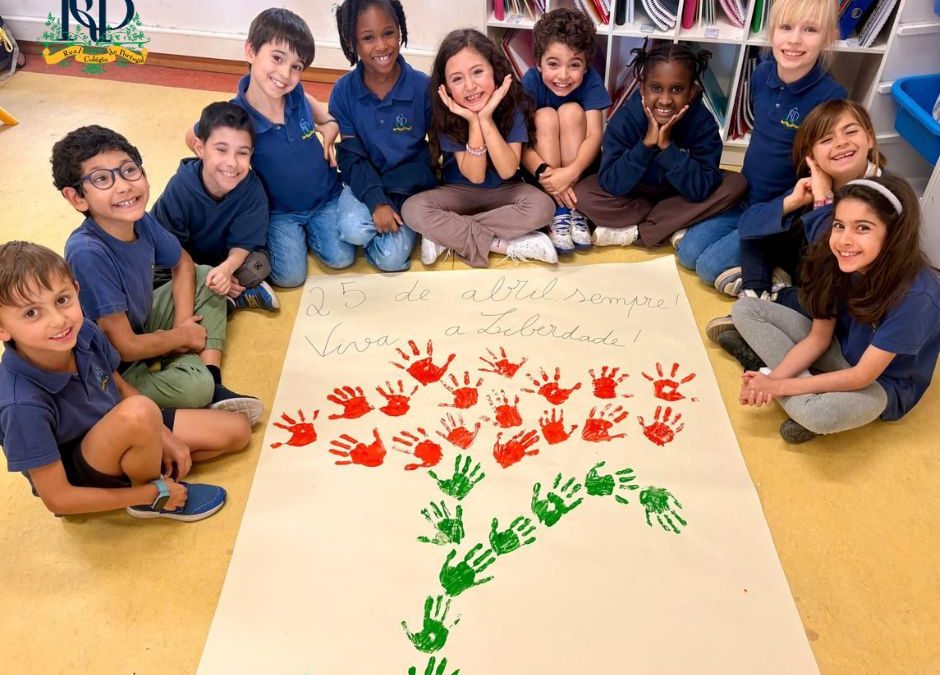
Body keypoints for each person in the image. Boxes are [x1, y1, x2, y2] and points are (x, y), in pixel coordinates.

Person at [0, 242, 250, 520]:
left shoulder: (84, 332)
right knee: (141, 411)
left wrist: (163, 437)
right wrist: (150, 492)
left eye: (62, 300)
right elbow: (58, 499)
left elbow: (117, 384)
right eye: (31, 313)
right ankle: (149, 496)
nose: (58, 320)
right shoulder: (20, 404)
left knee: (237, 431)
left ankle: (143, 463)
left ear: (76, 291)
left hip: (125, 424)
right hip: (85, 468)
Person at [55, 125, 262, 424]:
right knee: (194, 388)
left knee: (207, 278)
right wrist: (180, 336)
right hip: (112, 364)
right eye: (102, 179)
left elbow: (184, 263)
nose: (124, 186)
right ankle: (197, 387)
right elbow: (124, 348)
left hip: (141, 323)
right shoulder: (88, 252)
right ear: (77, 198)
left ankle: (213, 381)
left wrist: (181, 325)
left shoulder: (140, 220)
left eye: (129, 170)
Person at [717, 176, 940, 444]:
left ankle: (804, 395)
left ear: (893, 235)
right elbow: (818, 338)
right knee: (746, 309)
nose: (844, 240)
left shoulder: (917, 297)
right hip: (837, 349)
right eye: (839, 225)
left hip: (881, 383)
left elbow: (862, 376)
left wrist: (778, 386)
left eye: (863, 228)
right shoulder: (836, 260)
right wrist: (773, 379)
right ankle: (801, 387)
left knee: (820, 415)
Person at [189, 8, 402, 285]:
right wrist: (212, 158)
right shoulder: (235, 114)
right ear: (251, 51)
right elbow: (193, 134)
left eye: (296, 67)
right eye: (277, 58)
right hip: (281, 211)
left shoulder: (297, 95)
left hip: (325, 197)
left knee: (341, 259)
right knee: (290, 278)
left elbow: (327, 118)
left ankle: (310, 234)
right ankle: (272, 244)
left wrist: (329, 127)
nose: (285, 74)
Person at [676, 0, 845, 289]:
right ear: (772, 31)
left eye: (810, 30)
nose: (794, 39)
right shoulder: (761, 74)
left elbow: (829, 165)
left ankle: (774, 267)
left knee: (707, 269)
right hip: (744, 196)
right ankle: (754, 253)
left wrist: (797, 201)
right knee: (687, 254)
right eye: (786, 27)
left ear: (828, 36)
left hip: (781, 210)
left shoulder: (830, 97)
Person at [707, 100, 885, 351]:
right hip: (807, 271)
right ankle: (756, 293)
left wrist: (823, 202)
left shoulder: (882, 197)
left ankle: (771, 299)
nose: (841, 142)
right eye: (826, 139)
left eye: (850, 131)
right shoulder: (817, 180)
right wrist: (792, 202)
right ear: (812, 158)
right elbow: (747, 226)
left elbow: (838, 266)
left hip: (840, 295)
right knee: (761, 226)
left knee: (818, 311)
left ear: (870, 138)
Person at [401, 29, 556, 267]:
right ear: (446, 87)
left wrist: (485, 119)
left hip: (505, 192)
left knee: (543, 206)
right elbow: (474, 175)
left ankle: (451, 236)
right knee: (413, 209)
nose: (471, 86)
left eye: (477, 72)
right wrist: (473, 122)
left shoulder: (515, 104)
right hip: (459, 193)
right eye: (457, 79)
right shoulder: (446, 112)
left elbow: (507, 170)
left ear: (494, 70)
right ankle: (501, 243)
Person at [574, 43, 747, 249]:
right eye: (656, 88)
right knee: (582, 194)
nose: (665, 100)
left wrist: (667, 148)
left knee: (736, 184)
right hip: (635, 193)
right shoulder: (625, 118)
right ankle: (671, 224)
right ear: (642, 89)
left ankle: (640, 231)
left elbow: (701, 188)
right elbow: (612, 183)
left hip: (680, 193)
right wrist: (646, 145)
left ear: (691, 92)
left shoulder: (702, 122)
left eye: (677, 89)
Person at [329, 0, 437, 269]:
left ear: (400, 30)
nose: (381, 46)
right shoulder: (342, 92)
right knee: (354, 229)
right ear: (351, 42)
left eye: (388, 33)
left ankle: (385, 230)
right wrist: (377, 203)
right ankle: (362, 219)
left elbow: (435, 152)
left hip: (406, 189)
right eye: (368, 38)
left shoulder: (422, 86)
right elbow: (352, 158)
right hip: (364, 183)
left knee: (390, 259)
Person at [152, 101, 279, 312]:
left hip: (227, 259)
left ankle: (218, 297)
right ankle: (227, 297)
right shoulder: (180, 187)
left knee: (260, 264)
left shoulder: (252, 189)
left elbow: (244, 243)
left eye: (242, 153)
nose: (232, 162)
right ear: (200, 148)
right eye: (221, 150)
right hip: (185, 262)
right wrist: (205, 274)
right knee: (152, 275)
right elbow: (166, 246)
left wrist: (226, 270)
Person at [521, 7, 611, 252]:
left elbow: (595, 135)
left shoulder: (592, 81)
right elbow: (519, 142)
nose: (563, 75)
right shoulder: (529, 82)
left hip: (579, 170)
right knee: (545, 116)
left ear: (585, 66)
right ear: (538, 63)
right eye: (553, 64)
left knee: (571, 111)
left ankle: (575, 206)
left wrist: (570, 173)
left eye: (574, 65)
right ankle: (559, 207)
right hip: (542, 171)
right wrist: (547, 175)